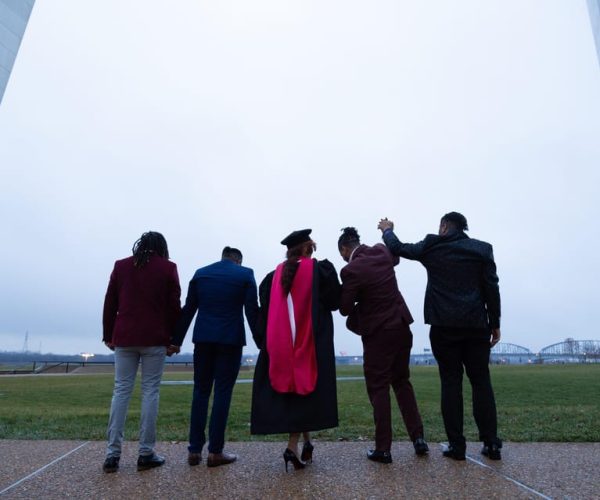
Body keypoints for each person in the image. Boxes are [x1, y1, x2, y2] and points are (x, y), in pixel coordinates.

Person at [378, 212, 502, 461]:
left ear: (444, 226)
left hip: (444, 326)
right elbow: (491, 287)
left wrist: (387, 230)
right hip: (476, 325)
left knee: (451, 383)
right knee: (481, 382)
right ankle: (491, 444)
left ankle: (457, 446)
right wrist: (495, 323)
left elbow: (400, 248)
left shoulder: (433, 246)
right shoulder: (482, 250)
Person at [251, 229, 341, 471]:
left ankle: (307, 443)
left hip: (280, 347)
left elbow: (264, 312)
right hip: (314, 343)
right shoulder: (321, 271)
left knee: (298, 393)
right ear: (307, 249)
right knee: (305, 391)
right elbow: (335, 301)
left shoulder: (273, 277)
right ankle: (292, 446)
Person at [337, 227, 428, 464]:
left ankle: (383, 448)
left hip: (378, 335)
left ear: (345, 249)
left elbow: (345, 308)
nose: (343, 258)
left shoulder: (350, 270)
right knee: (402, 382)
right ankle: (418, 438)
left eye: (342, 254)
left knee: (378, 388)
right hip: (401, 326)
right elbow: (395, 256)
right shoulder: (382, 252)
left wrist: (359, 297)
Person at [102, 231, 181, 473]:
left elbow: (110, 302)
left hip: (124, 337)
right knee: (150, 392)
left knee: (121, 392)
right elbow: (174, 305)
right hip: (155, 338)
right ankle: (146, 452)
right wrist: (174, 339)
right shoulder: (168, 268)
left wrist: (108, 335)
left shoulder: (121, 266)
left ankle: (112, 454)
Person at [172, 246, 258, 467]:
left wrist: (176, 340)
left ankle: (194, 450)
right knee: (222, 393)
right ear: (238, 260)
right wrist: (262, 343)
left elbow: (189, 309)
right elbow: (251, 312)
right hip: (230, 339)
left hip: (203, 339)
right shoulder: (245, 274)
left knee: (200, 391)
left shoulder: (201, 273)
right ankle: (215, 451)